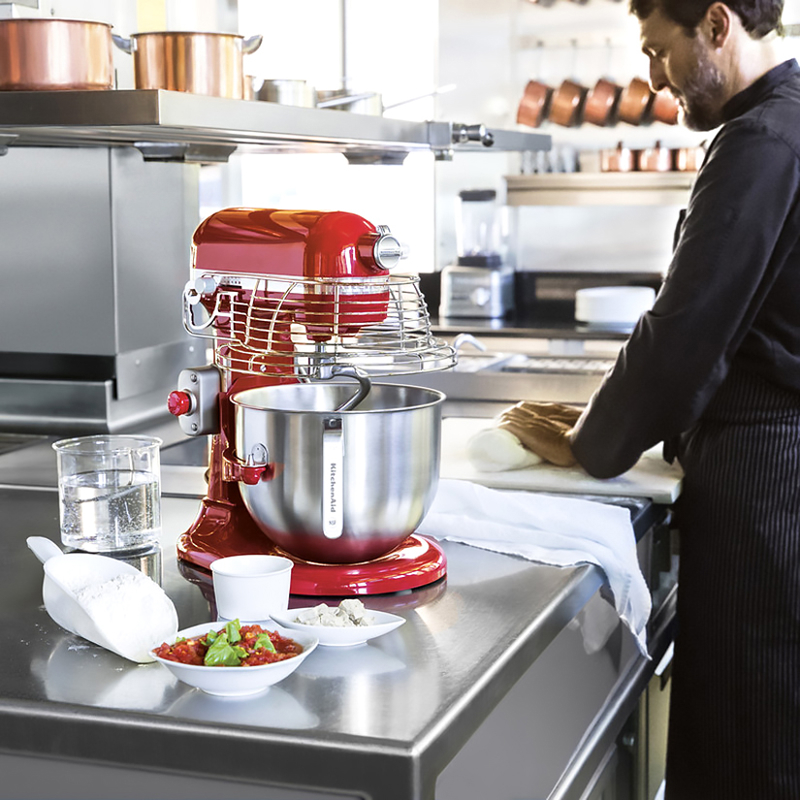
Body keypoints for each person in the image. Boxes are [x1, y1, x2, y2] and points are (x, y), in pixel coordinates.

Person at [508, 1, 800, 797]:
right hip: (771, 471)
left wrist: (593, 443)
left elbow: (686, 331)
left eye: (659, 50)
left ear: (716, 24)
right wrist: (610, 417)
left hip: (767, 484)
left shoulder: (762, 140)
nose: (654, 77)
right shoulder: (781, 121)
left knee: (750, 740)